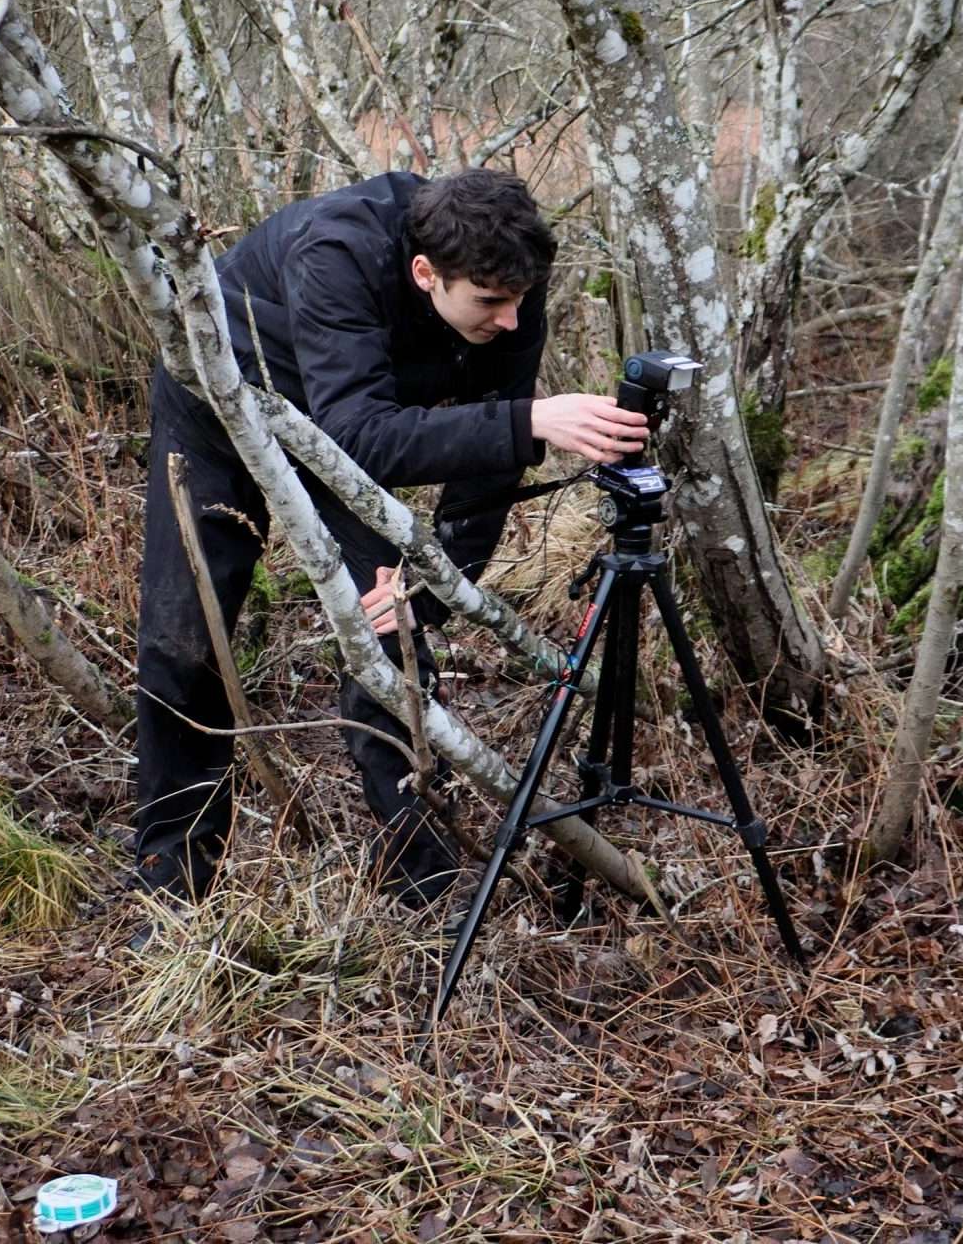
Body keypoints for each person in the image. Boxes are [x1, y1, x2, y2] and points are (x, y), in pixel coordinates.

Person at [133, 168, 649, 907]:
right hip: (220, 404)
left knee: (389, 636)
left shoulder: (508, 287)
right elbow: (360, 435)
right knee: (183, 642)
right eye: (490, 304)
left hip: (341, 426)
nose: (510, 320)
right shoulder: (337, 251)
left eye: (520, 302)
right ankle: (172, 886)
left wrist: (431, 589)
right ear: (424, 273)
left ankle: (420, 876)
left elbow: (485, 463)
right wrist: (529, 419)